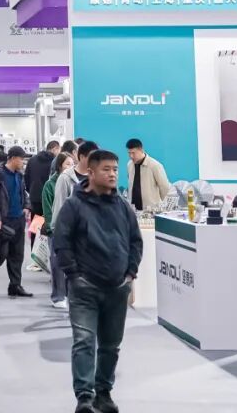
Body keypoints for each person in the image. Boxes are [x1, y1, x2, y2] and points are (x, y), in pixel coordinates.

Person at [54, 149, 142, 413]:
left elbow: (135, 241)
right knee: (83, 341)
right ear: (90, 172)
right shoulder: (74, 205)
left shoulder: (123, 206)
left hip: (117, 288)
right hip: (85, 288)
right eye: (106, 169)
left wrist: (130, 274)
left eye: (115, 169)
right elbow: (62, 242)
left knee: (110, 346)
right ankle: (84, 397)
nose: (113, 174)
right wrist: (74, 275)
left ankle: (103, 393)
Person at [0, 146, 32, 297]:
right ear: (13, 158)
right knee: (0, 254)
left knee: (17, 255)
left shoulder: (20, 174)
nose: (23, 162)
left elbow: (23, 192)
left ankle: (15, 286)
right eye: (21, 159)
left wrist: (27, 206)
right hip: (4, 220)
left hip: (18, 219)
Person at [43, 151, 76, 309]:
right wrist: (52, 228)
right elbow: (48, 209)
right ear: (59, 166)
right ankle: (57, 296)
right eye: (67, 164)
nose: (70, 167)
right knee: (57, 264)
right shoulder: (50, 185)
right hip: (55, 230)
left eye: (72, 164)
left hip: (71, 230)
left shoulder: (73, 182)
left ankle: (70, 294)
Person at [25, 140, 60, 247]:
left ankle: (35, 255)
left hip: (36, 200)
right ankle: (49, 253)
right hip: (50, 201)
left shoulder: (32, 160)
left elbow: (26, 178)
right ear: (54, 148)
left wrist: (32, 191)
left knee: (36, 230)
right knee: (51, 229)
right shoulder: (55, 161)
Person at [125, 138, 172, 212]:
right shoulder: (129, 165)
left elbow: (165, 187)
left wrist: (162, 208)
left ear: (141, 150)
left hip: (151, 211)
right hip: (133, 210)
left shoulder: (155, 165)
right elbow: (131, 184)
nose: (131, 156)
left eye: (133, 153)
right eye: (129, 153)